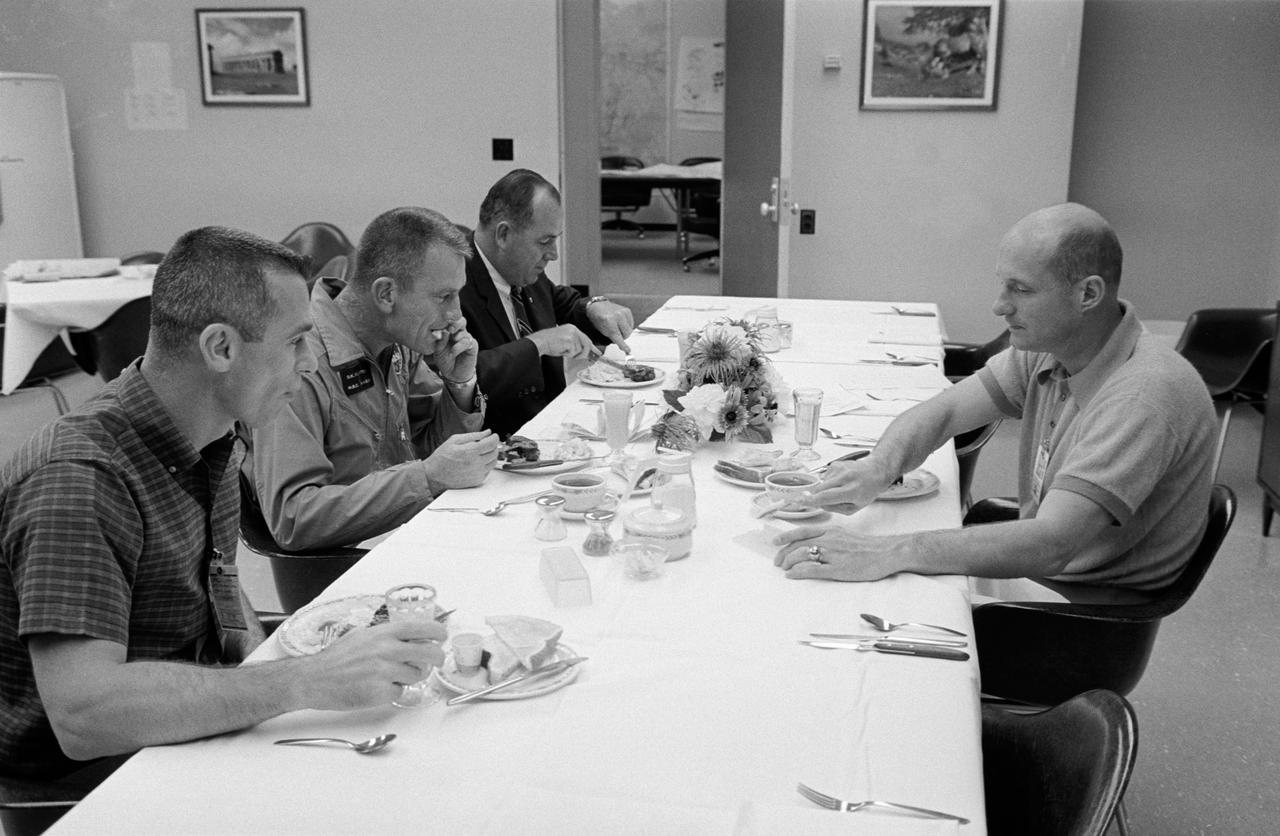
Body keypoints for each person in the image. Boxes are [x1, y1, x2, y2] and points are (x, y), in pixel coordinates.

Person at [0, 227, 445, 801]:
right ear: (220, 348)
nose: (311, 364)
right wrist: (302, 679)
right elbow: (85, 715)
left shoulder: (211, 438)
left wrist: (284, 664)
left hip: (188, 733)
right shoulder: (81, 479)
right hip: (99, 787)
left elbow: (218, 596)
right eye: (295, 342)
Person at [775, 203, 1215, 603]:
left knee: (848, 589)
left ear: (1088, 294)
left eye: (1020, 290)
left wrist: (891, 551)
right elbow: (943, 412)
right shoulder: (1055, 347)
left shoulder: (1142, 396)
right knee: (851, 566)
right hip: (1050, 574)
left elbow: (1050, 544)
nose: (998, 306)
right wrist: (878, 469)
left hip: (1082, 612)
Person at [245, 207, 500, 551]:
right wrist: (425, 477)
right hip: (343, 567)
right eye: (444, 297)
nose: (456, 315)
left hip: (404, 537)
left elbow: (439, 455)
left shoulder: (399, 343)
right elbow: (293, 517)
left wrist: (459, 384)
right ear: (386, 295)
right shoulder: (301, 366)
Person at [460, 168, 636, 437]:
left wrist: (594, 306)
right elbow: (458, 379)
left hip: (553, 424)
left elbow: (558, 302)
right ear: (503, 235)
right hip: (501, 444)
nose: (553, 254)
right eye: (545, 242)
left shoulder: (520, 270)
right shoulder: (453, 284)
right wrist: (539, 344)